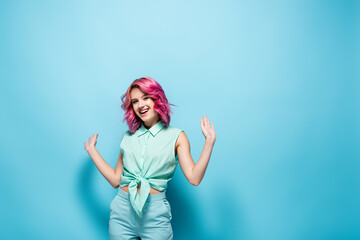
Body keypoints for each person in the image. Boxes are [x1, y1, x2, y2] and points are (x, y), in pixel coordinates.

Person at [84, 77, 216, 240]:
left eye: (146, 97)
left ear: (157, 99)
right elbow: (115, 180)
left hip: (155, 216)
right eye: (135, 101)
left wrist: (209, 143)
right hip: (122, 212)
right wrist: (92, 151)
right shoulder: (128, 137)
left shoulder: (177, 137)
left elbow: (194, 178)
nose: (141, 105)